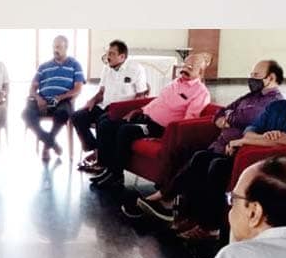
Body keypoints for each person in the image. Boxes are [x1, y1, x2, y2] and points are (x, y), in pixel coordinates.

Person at [176, 68, 286, 241]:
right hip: (250, 157)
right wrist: (260, 138)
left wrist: (244, 142)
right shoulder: (276, 107)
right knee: (201, 158)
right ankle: (193, 215)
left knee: (218, 167)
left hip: (275, 168)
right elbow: (250, 131)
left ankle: (210, 227)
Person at [133, 60, 284, 223]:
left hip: (234, 151)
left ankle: (166, 200)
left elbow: (247, 117)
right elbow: (222, 111)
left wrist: (229, 117)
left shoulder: (274, 102)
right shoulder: (251, 96)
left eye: (256, 75)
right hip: (219, 144)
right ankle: (175, 205)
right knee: (183, 149)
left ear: (271, 78)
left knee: (200, 158)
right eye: (251, 74)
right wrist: (225, 116)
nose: (251, 78)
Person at [91, 53, 211, 190]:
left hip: (158, 128)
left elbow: (189, 119)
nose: (184, 69)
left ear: (200, 72)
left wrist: (169, 136)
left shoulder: (201, 92)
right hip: (145, 118)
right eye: (184, 65)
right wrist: (140, 110)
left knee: (125, 130)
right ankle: (107, 168)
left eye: (190, 67)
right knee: (106, 124)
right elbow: (158, 101)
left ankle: (116, 175)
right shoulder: (175, 83)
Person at [72, 40, 148, 169]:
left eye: (112, 54)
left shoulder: (136, 69)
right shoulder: (107, 68)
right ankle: (96, 149)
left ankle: (102, 162)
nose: (108, 57)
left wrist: (133, 111)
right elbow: (101, 92)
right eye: (108, 53)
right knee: (77, 116)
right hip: (105, 106)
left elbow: (141, 96)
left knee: (103, 122)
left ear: (122, 56)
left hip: (122, 109)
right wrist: (92, 101)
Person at [22, 35, 85, 160]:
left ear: (66, 47)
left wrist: (60, 97)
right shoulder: (43, 66)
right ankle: (50, 142)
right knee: (26, 114)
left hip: (62, 100)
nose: (55, 50)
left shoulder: (75, 64)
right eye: (54, 47)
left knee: (62, 114)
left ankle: (46, 146)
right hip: (42, 100)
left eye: (58, 47)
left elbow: (78, 88)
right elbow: (32, 88)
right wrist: (38, 98)